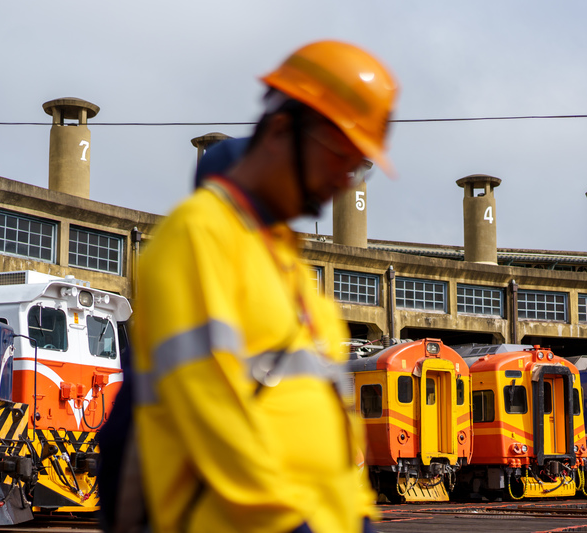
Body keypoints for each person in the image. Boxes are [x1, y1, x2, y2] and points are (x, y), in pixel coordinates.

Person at [130, 40, 398, 533]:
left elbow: (336, 431)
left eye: (359, 167)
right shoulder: (198, 235)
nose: (346, 180)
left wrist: (358, 516)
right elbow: (214, 417)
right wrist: (293, 525)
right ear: (281, 129)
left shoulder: (295, 274)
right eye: (341, 155)